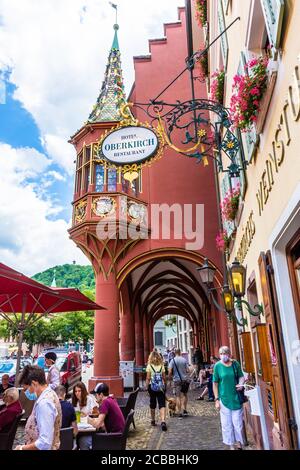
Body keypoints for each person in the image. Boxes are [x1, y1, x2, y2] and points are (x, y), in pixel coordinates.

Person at [15, 365, 62, 450]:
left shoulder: (44, 403)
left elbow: (44, 442)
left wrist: (22, 448)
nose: (26, 392)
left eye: (26, 389)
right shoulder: (49, 394)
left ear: (34, 383)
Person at [213, 346, 245, 450]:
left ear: (229, 354)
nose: (223, 355)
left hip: (236, 398)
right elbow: (215, 384)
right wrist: (217, 399)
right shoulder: (217, 366)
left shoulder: (235, 364)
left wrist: (241, 384)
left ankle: (239, 442)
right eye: (221, 354)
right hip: (224, 399)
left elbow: (241, 376)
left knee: (238, 423)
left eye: (225, 353)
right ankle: (231, 444)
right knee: (227, 425)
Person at [78, 382, 125, 450]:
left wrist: (88, 419)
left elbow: (97, 425)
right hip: (118, 436)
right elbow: (102, 424)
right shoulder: (111, 399)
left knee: (83, 440)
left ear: (101, 395)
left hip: (114, 438)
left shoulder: (105, 403)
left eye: (96, 395)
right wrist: (95, 420)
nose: (95, 397)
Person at [145, 350, 167, 431]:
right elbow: (164, 378)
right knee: (162, 404)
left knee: (152, 403)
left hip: (152, 387)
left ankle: (153, 420)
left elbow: (148, 378)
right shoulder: (162, 366)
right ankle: (163, 421)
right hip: (161, 387)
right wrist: (165, 386)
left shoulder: (149, 366)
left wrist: (147, 387)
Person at [168, 348, 190, 418]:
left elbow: (170, 372)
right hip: (184, 380)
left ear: (175, 353)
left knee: (178, 396)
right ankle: (185, 409)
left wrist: (170, 379)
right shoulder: (184, 360)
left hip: (176, 380)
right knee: (185, 395)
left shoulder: (172, 360)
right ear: (180, 352)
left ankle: (179, 411)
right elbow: (188, 370)